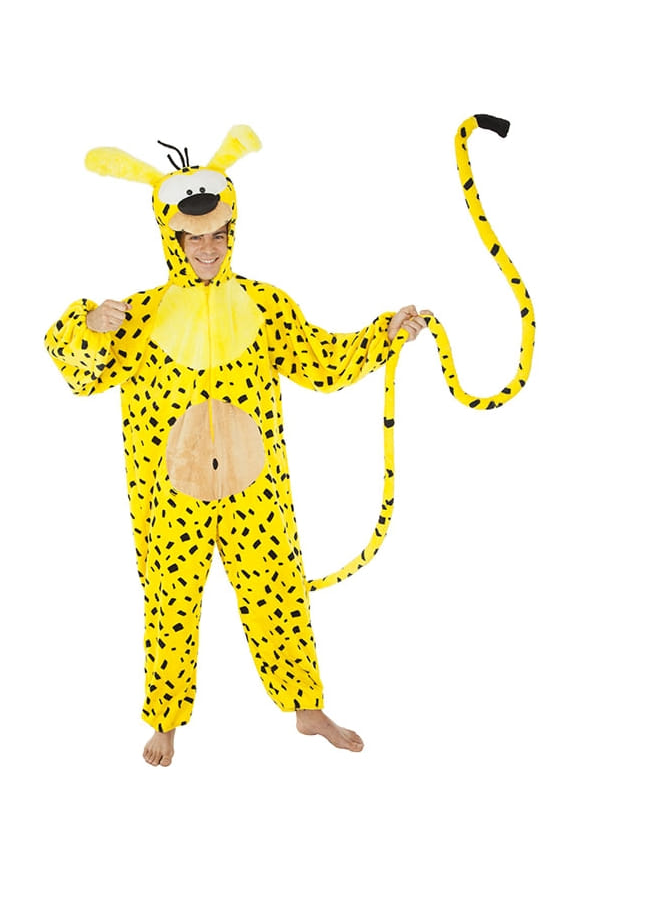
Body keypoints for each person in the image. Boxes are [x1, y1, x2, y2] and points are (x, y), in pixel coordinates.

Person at [46, 170, 428, 768]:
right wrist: (86, 327)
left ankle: (307, 709)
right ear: (171, 239)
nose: (208, 248)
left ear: (233, 232)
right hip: (172, 496)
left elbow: (322, 361)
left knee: (280, 594)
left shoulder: (264, 305)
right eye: (193, 238)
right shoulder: (139, 315)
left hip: (256, 491)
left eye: (218, 234)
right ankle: (165, 721)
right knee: (170, 604)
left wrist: (386, 335)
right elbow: (76, 375)